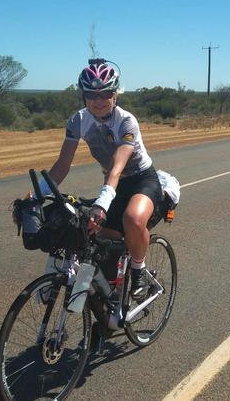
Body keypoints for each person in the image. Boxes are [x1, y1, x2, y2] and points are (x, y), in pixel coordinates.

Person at [42, 59, 161, 301]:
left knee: (133, 219)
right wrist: (34, 197)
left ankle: (138, 270)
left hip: (140, 180)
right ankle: (109, 304)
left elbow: (117, 168)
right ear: (83, 96)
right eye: (91, 94)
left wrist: (101, 204)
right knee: (99, 243)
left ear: (115, 94)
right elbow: (62, 165)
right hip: (113, 184)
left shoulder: (126, 121)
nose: (98, 100)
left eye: (105, 92)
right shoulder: (78, 120)